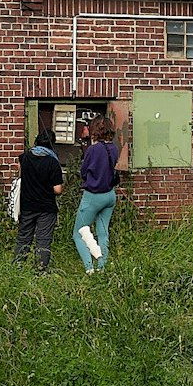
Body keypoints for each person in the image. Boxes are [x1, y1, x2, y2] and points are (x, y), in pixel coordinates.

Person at [73, 117, 121, 273]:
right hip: (109, 195)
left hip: (93, 196)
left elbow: (84, 171)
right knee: (103, 232)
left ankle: (89, 268)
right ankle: (102, 266)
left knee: (79, 233)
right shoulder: (114, 148)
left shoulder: (93, 150)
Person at [15, 126, 64, 271]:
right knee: (43, 241)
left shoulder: (25, 157)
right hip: (46, 208)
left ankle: (18, 266)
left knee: (23, 238)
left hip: (27, 205)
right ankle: (40, 269)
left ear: (36, 142)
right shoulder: (53, 162)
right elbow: (58, 189)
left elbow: (19, 173)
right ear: (51, 144)